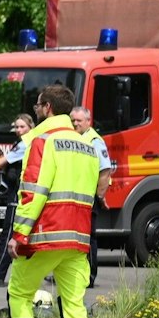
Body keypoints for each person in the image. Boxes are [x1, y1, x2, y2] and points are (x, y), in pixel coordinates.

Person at [0, 84, 102, 318]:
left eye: (38, 104)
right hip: (78, 237)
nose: (35, 108)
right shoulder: (87, 143)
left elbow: (34, 191)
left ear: (47, 108)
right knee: (73, 304)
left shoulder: (43, 140)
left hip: (46, 234)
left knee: (18, 292)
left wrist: (19, 234)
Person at [0, 113, 33, 291]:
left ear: (30, 127)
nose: (18, 130)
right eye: (17, 127)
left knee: (8, 237)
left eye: (22, 127)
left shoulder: (25, 144)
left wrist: (6, 160)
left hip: (17, 196)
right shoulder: (27, 142)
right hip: (20, 194)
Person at [70, 105, 114, 288]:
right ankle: (73, 274)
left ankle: (89, 276)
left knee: (87, 238)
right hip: (74, 196)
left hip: (88, 197)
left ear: (88, 121)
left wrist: (99, 196)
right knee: (74, 238)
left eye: (79, 120)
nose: (75, 123)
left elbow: (105, 171)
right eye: (73, 120)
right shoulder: (74, 137)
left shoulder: (94, 140)